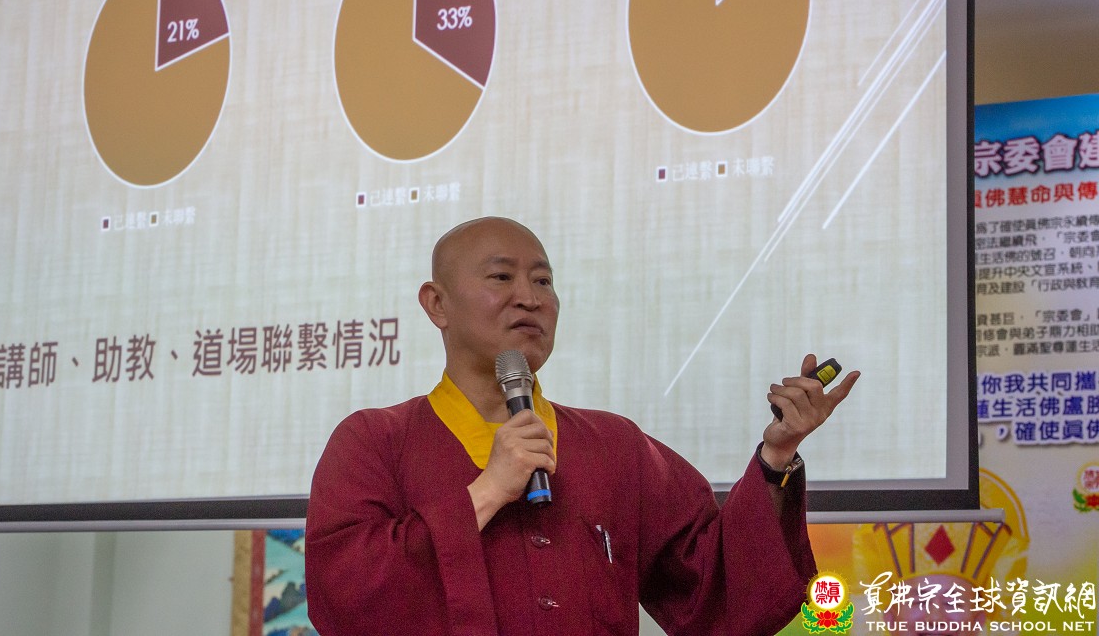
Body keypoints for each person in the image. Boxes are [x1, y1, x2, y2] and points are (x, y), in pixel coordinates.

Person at [306, 216, 859, 636]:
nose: (530, 298)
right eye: (501, 277)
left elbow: (715, 587)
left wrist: (776, 458)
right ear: (437, 304)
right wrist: (486, 492)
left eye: (544, 281)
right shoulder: (375, 441)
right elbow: (343, 597)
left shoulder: (614, 446)